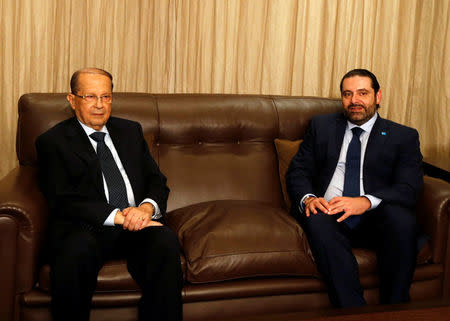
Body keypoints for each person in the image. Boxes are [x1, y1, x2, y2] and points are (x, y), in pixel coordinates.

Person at [36, 68, 183, 321]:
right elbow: (64, 199)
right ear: (72, 100)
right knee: (75, 251)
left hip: (135, 224)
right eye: (90, 97)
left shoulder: (130, 131)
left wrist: (146, 209)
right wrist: (119, 217)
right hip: (86, 227)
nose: (99, 105)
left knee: (165, 242)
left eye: (106, 97)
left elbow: (156, 181)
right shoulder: (53, 142)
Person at [286, 69, 423, 307]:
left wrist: (366, 201)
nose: (354, 101)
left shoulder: (403, 136)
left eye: (362, 93)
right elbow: (298, 171)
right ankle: (353, 311)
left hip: (374, 216)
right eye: (347, 94)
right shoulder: (322, 126)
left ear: (377, 96)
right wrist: (309, 198)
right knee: (316, 216)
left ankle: (395, 309)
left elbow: (409, 187)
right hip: (330, 211)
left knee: (402, 219)